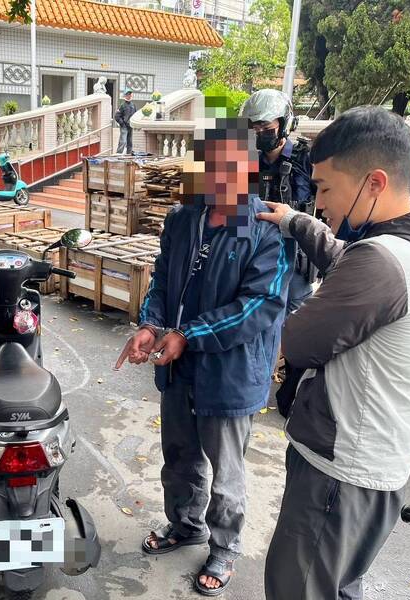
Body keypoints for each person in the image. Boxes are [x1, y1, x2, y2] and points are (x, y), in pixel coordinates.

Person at [257, 106, 410, 600]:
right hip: (378, 469)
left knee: (300, 588)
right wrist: (294, 222)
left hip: (340, 476)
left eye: (327, 188)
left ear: (374, 183)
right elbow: (343, 259)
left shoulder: (380, 262)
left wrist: (295, 309)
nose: (319, 201)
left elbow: (301, 340)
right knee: (339, 587)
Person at [115, 101, 290, 596]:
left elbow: (259, 306)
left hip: (231, 372)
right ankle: (185, 524)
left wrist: (189, 333)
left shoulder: (268, 229)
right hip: (178, 366)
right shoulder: (184, 218)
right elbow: (163, 281)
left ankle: (225, 546)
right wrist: (151, 325)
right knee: (180, 454)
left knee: (227, 471)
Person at [241, 88, 315, 312]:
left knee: (297, 321)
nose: (260, 133)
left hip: (294, 258)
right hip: (253, 253)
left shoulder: (307, 159)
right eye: (254, 128)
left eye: (266, 128)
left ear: (284, 124)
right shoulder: (245, 161)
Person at [115, 88, 136, 155]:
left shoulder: (133, 105)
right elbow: (117, 116)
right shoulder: (122, 105)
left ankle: (129, 154)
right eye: (127, 94)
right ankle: (118, 153)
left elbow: (135, 114)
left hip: (130, 126)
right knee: (123, 141)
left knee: (130, 142)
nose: (129, 95)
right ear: (125, 95)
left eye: (130, 94)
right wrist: (122, 123)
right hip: (124, 126)